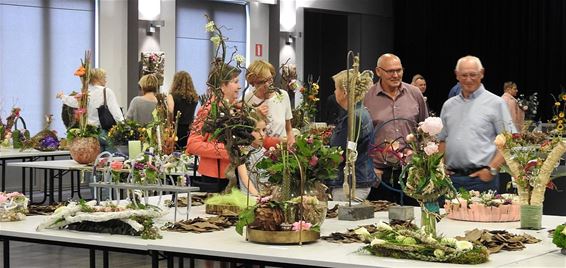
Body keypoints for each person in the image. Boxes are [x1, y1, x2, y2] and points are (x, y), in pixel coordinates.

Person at [438, 55, 516, 193]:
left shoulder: (496, 103)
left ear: (482, 74)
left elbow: (510, 141)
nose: (468, 79)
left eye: (473, 74)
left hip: (481, 181)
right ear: (457, 75)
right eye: (464, 75)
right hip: (450, 180)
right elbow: (442, 140)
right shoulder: (448, 105)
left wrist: (491, 169)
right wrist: (440, 167)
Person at [363, 53, 428, 205]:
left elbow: (425, 131)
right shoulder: (367, 97)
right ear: (378, 71)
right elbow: (360, 137)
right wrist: (370, 169)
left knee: (414, 220)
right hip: (379, 176)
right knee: (380, 223)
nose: (396, 75)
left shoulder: (415, 93)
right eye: (390, 71)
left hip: (411, 173)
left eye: (399, 70)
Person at [186, 64, 241, 193]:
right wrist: (227, 151)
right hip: (215, 178)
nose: (239, 86)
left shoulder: (233, 108)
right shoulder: (209, 109)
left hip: (231, 174)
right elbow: (192, 144)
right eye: (235, 82)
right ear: (222, 85)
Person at [326, 69, 375, 201]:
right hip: (356, 180)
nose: (334, 92)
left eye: (336, 88)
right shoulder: (358, 113)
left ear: (344, 92)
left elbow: (339, 154)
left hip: (352, 183)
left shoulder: (354, 117)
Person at [57, 68, 124, 150]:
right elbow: (116, 113)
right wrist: (124, 127)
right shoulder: (106, 91)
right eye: (104, 77)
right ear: (97, 78)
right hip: (104, 132)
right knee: (109, 159)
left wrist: (62, 96)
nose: (106, 80)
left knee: (94, 160)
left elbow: (73, 102)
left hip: (89, 134)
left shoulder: (85, 93)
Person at [244, 60, 295, 148]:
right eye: (262, 82)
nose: (267, 85)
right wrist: (256, 115)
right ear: (252, 83)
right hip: (258, 154)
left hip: (281, 153)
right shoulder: (247, 99)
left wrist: (291, 143)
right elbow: (246, 134)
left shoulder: (282, 96)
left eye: (270, 79)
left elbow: (289, 129)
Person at [237, 111, 267, 196]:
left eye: (264, 130)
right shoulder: (242, 151)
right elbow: (244, 177)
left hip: (264, 196)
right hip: (249, 197)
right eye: (257, 131)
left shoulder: (264, 151)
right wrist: (257, 195)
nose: (262, 134)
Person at [167, 71, 199, 150]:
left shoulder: (172, 96)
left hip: (176, 131)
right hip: (189, 130)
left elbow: (170, 110)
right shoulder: (195, 98)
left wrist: (169, 124)